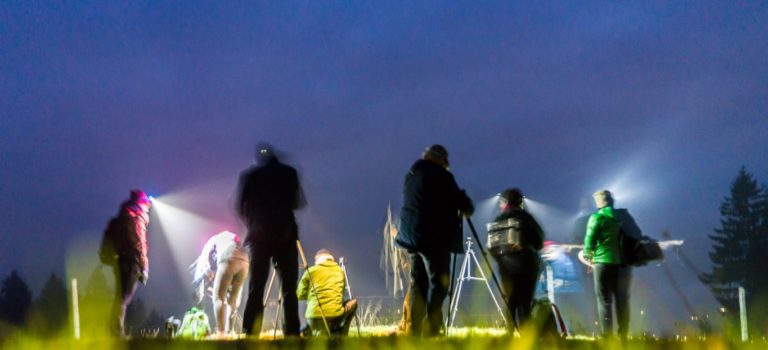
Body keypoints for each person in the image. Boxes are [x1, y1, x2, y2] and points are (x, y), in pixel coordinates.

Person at [395, 144, 474, 336]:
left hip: (410, 237)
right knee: (439, 283)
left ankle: (414, 330)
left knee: (418, 283)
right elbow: (462, 204)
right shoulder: (441, 175)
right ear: (440, 159)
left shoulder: (411, 176)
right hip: (433, 238)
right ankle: (431, 329)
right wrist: (464, 201)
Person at [238, 143, 306, 337]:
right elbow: (297, 203)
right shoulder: (289, 173)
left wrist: (254, 222)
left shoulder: (250, 176)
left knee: (256, 285)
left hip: (259, 236)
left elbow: (241, 206)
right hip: (285, 234)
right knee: (289, 288)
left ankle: (250, 331)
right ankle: (291, 331)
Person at [583, 189, 642, 340]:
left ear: (598, 203)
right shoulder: (624, 216)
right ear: (612, 201)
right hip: (623, 264)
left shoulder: (597, 218)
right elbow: (637, 234)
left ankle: (607, 337)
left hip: (603, 263)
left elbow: (589, 242)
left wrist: (588, 256)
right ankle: (623, 336)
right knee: (622, 300)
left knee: (604, 301)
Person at [486, 188, 544, 332]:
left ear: (504, 202)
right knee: (525, 302)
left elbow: (491, 247)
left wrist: (502, 260)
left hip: (505, 266)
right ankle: (525, 338)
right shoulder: (527, 218)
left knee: (510, 301)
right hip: (528, 264)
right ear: (520, 202)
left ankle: (509, 334)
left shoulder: (498, 220)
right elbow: (539, 242)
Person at [99, 189, 151, 337]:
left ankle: (115, 331)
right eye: (147, 204)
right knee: (123, 298)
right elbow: (139, 244)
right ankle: (117, 332)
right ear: (141, 204)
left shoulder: (123, 217)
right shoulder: (135, 219)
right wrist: (145, 266)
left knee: (120, 296)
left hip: (120, 260)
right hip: (132, 262)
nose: (148, 207)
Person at [192, 231, 250, 336]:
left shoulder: (214, 240)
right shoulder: (231, 236)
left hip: (229, 257)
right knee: (233, 300)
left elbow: (209, 257)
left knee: (218, 297)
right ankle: (230, 331)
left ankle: (221, 334)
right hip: (245, 261)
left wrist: (210, 272)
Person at [297, 249, 358, 336]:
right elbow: (340, 293)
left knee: (314, 318)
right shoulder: (340, 272)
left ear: (317, 259)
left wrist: (313, 295)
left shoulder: (310, 271)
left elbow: (299, 295)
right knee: (353, 302)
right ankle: (342, 332)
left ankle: (312, 331)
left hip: (313, 319)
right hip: (335, 318)